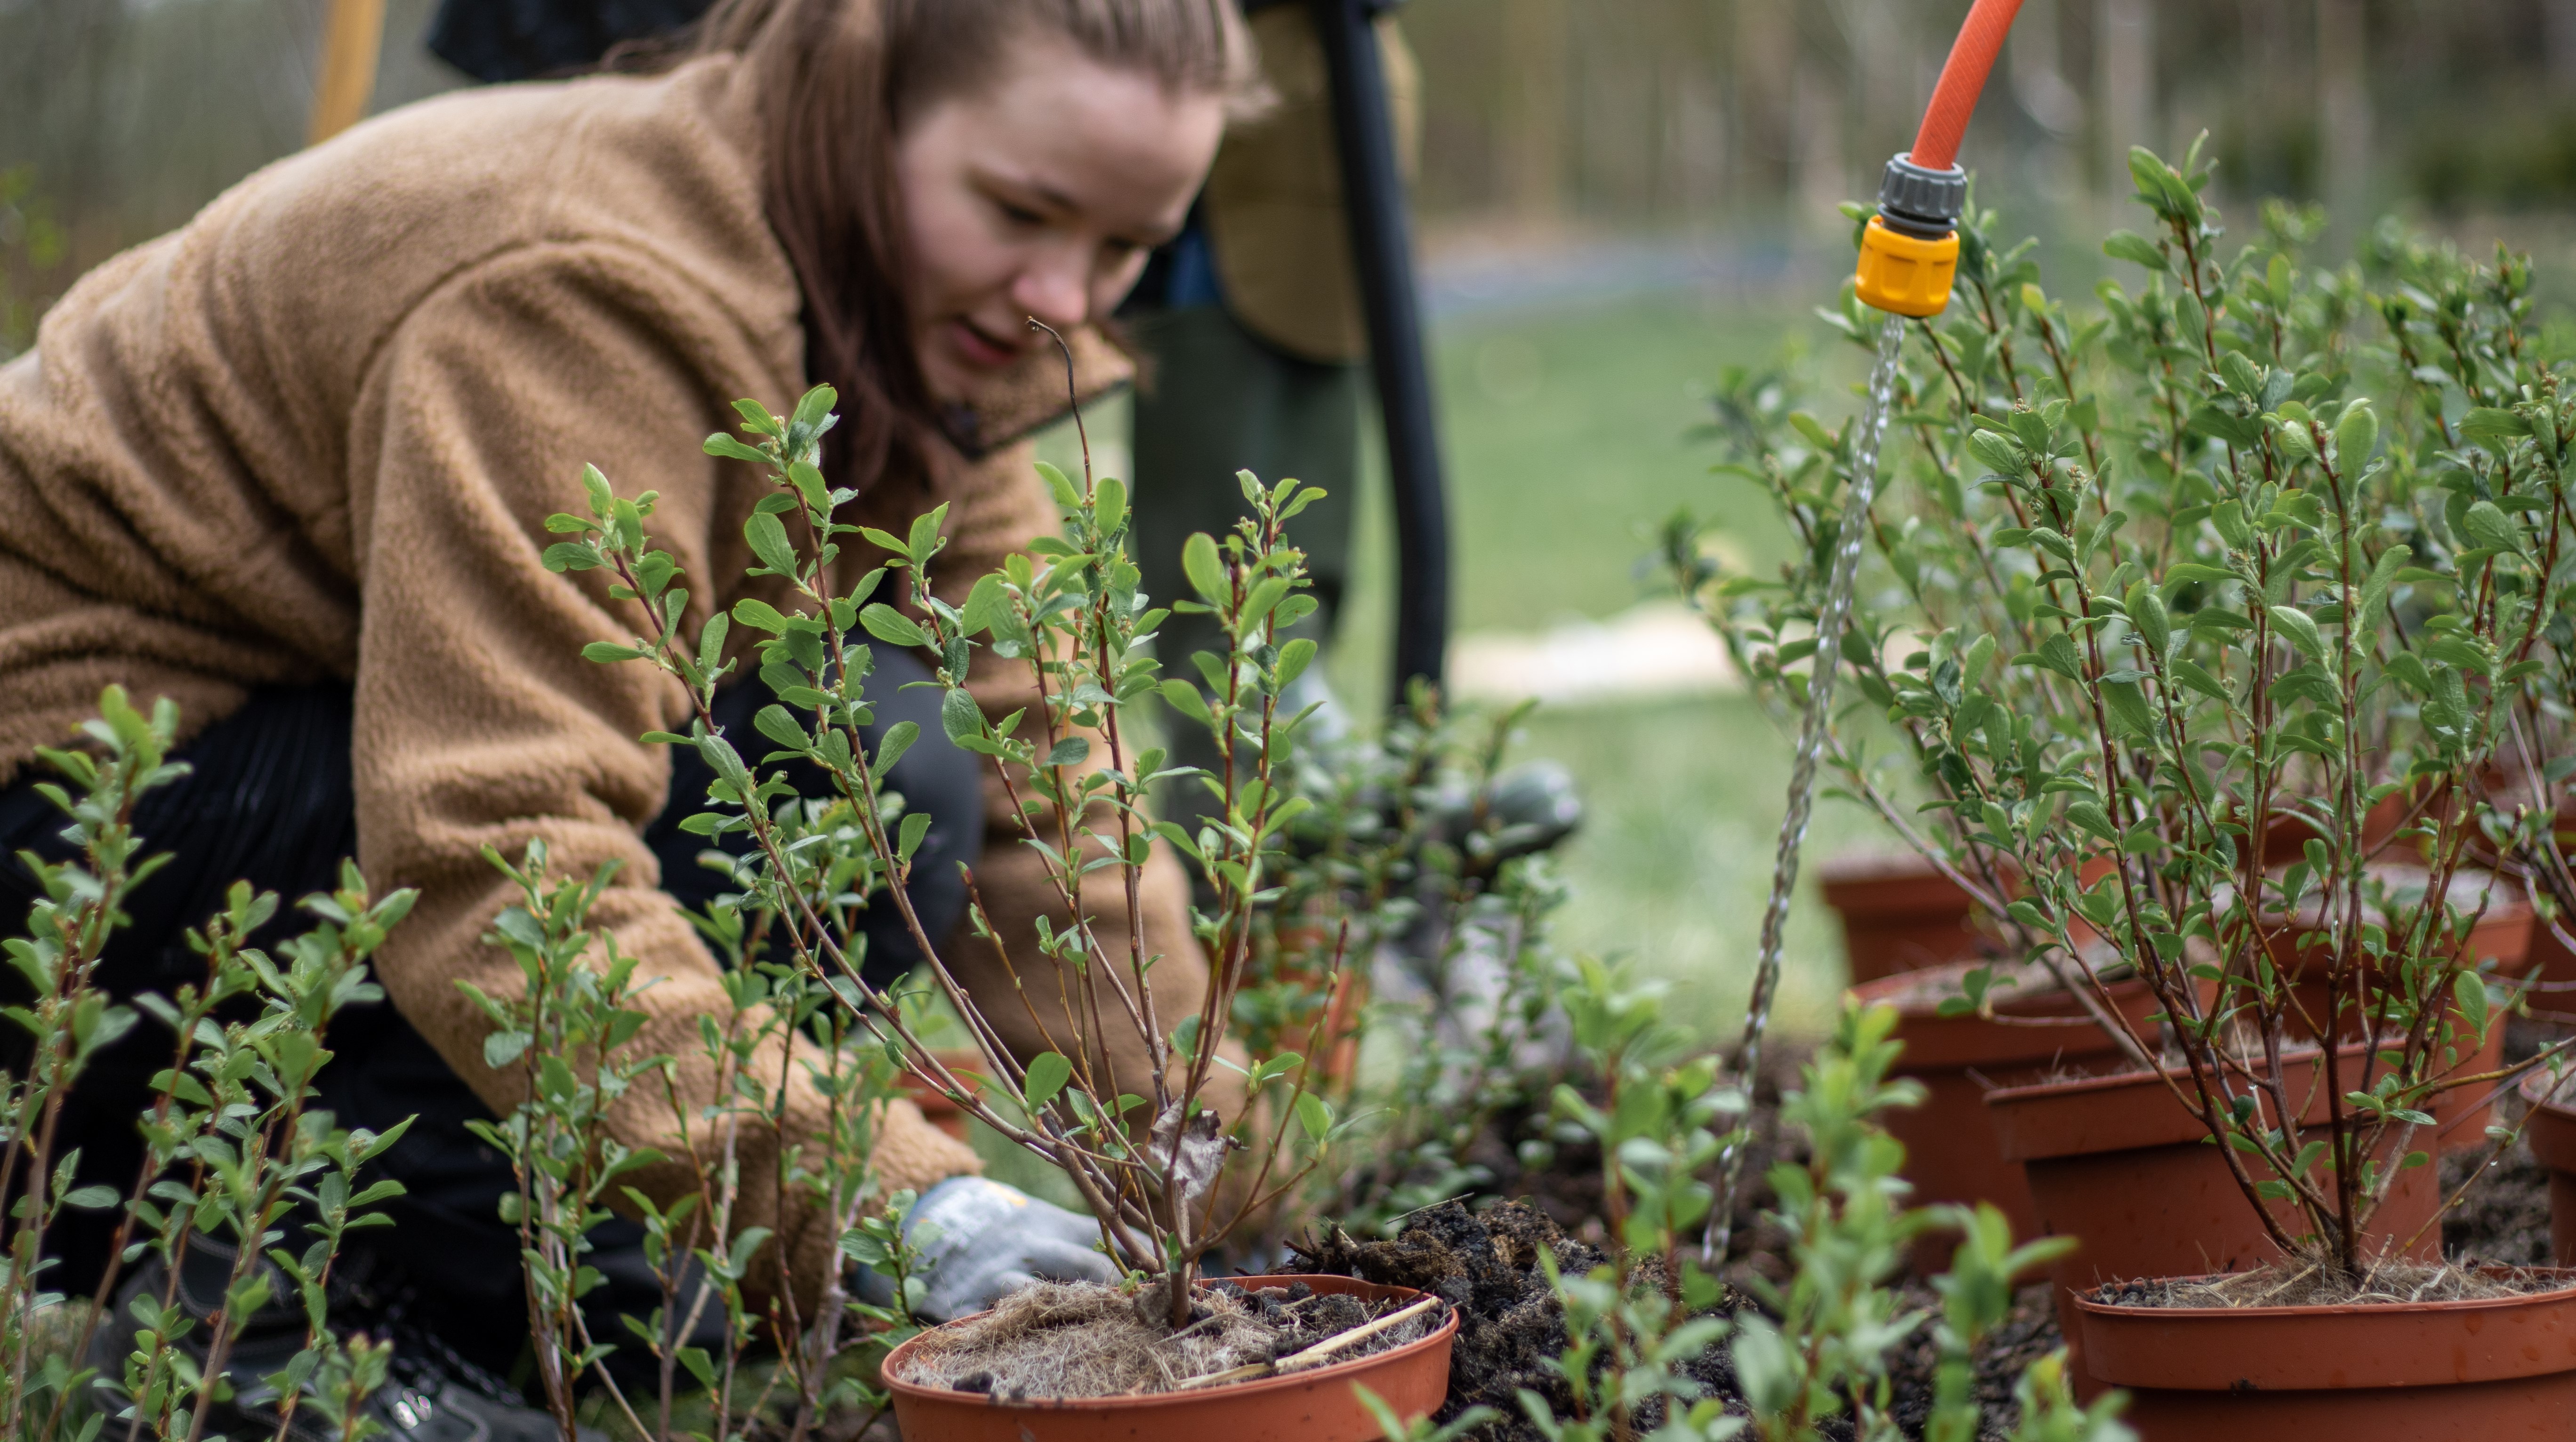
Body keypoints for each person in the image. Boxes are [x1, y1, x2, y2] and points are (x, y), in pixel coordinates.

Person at [0, 0, 1256, 1431]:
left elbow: (1047, 791)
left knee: (887, 767)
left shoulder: (902, 307)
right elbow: (499, 845)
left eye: (1126, 246)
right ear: (867, 103)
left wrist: (1216, 1182)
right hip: (63, 850)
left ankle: (448, 1270)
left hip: (250, 791)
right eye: (1022, 210)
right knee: (837, 774)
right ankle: (295, 1319)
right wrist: (897, 1208)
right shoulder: (579, 289)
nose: (1063, 298)